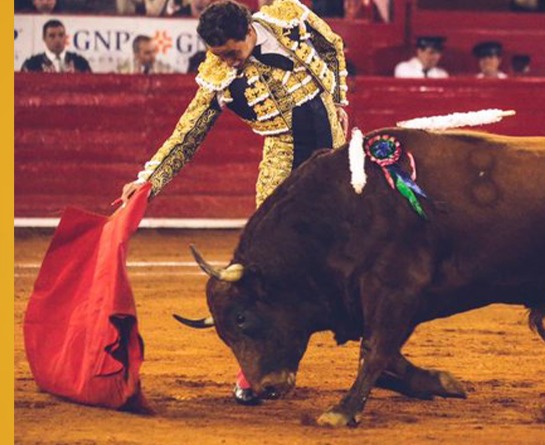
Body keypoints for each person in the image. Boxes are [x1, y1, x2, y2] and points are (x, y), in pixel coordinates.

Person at [117, 0, 349, 405]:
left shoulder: (287, 16)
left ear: (248, 31)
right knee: (266, 263)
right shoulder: (217, 76)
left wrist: (340, 100)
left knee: (350, 247)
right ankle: (254, 365)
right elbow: (187, 134)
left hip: (331, 143)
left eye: (230, 52)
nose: (227, 62)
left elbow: (332, 45)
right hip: (282, 152)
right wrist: (147, 182)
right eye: (217, 54)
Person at [21, 20, 92, 73]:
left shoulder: (80, 62)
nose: (57, 40)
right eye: (52, 36)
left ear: (65, 37)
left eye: (61, 35)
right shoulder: (32, 64)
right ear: (44, 38)